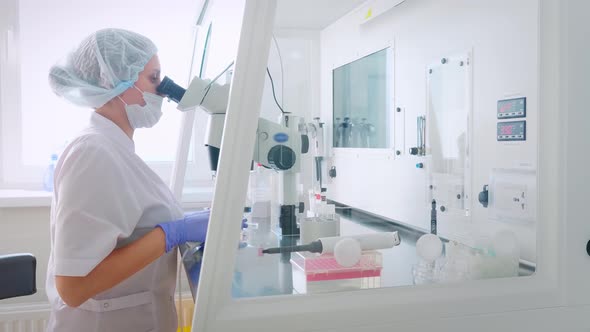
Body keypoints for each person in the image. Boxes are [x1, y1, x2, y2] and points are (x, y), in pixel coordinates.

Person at [45, 28, 208, 331]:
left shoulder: (114, 149)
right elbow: (73, 287)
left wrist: (181, 227)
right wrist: (170, 233)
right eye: (154, 78)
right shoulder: (92, 153)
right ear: (114, 83)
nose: (162, 91)